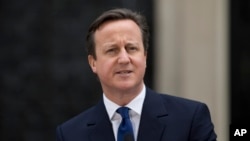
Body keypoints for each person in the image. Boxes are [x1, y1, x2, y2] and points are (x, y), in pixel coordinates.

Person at [56, 8, 217, 141]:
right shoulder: (70, 134)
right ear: (93, 63)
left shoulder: (190, 118)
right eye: (112, 50)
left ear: (145, 57)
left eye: (132, 48)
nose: (124, 59)